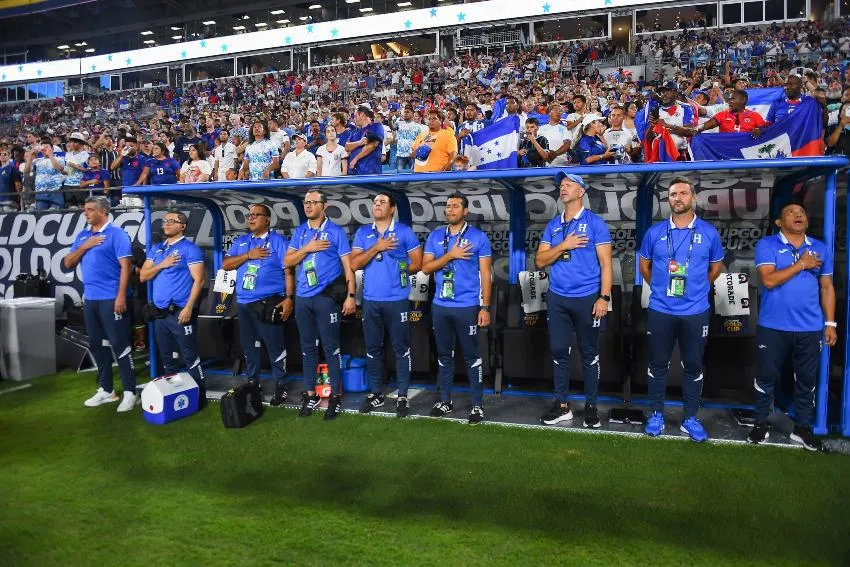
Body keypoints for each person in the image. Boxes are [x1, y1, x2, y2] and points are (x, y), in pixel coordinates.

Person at [638, 177, 724, 442]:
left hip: (696, 312)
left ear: (693, 198)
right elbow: (644, 267)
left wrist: (698, 288)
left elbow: (716, 267)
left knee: (693, 365)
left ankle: (689, 418)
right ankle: (656, 414)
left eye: (683, 193)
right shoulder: (654, 233)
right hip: (661, 310)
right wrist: (662, 288)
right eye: (672, 194)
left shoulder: (709, 233)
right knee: (657, 363)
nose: (677, 198)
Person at [748, 202, 836, 450]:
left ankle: (803, 428)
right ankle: (760, 423)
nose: (798, 215)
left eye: (802, 212)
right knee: (765, 377)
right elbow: (768, 280)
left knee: (807, 379)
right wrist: (801, 264)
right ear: (779, 222)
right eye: (791, 212)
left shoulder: (819, 248)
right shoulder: (767, 245)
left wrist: (830, 323)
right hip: (773, 326)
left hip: (810, 327)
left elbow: (826, 288)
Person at [536, 173, 613, 429]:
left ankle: (591, 407)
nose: (563, 188)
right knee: (559, 352)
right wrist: (564, 245)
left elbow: (606, 264)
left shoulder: (595, 223)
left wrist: (604, 297)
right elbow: (540, 261)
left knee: (589, 354)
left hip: (587, 298)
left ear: (581, 191)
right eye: (561, 185)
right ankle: (562, 406)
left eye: (568, 185)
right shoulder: (553, 225)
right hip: (558, 298)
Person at [285, 190, 357, 420]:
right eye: (305, 202)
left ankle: (334, 396)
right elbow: (287, 261)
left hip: (326, 298)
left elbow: (348, 266)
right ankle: (310, 394)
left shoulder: (335, 232)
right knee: (307, 349)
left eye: (313, 202)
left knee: (331, 347)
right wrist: (307, 248)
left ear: (324, 206)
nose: (308, 206)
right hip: (303, 298)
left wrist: (351, 295)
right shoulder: (301, 231)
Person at [350, 192, 423, 417]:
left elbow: (418, 263)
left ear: (392, 209)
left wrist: (399, 267)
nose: (377, 205)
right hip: (371, 300)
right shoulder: (363, 232)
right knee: (373, 349)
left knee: (401, 349)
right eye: (375, 202)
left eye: (382, 202)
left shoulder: (404, 232)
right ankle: (377, 393)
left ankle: (402, 395)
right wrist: (377, 248)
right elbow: (354, 264)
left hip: (397, 300)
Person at [422, 193, 493, 424]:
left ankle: (477, 405)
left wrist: (485, 307)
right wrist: (450, 255)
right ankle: (445, 400)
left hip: (467, 306)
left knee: (472, 356)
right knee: (444, 355)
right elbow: (426, 268)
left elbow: (485, 275)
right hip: (441, 306)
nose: (450, 209)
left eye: (455, 206)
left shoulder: (478, 238)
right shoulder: (435, 236)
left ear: (465, 211)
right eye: (448, 206)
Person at [63, 196, 137, 412]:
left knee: (120, 345)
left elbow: (126, 267)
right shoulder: (83, 236)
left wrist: (121, 296)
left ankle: (131, 392)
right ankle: (107, 390)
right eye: (85, 209)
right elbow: (68, 263)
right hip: (91, 299)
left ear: (103, 211)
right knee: (96, 344)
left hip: (112, 298)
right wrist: (84, 246)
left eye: (90, 210)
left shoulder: (117, 234)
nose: (85, 213)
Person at [222, 203, 295, 405]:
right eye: (249, 215)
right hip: (244, 303)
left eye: (256, 215)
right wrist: (248, 255)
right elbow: (225, 265)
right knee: (249, 346)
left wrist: (289, 298)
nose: (251, 218)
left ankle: (281, 385)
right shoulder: (242, 241)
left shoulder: (278, 241)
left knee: (275, 346)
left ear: (267, 219)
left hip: (269, 302)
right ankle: (253, 383)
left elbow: (289, 271)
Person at [139, 210, 207, 404]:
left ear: (182, 226)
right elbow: (143, 276)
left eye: (172, 221)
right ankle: (173, 396)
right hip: (160, 314)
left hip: (180, 313)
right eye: (165, 220)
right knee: (167, 357)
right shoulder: (157, 250)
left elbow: (199, 280)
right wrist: (162, 264)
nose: (166, 223)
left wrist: (188, 308)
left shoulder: (189, 249)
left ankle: (199, 396)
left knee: (190, 356)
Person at [692, 90, 766, 136]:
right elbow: (704, 126)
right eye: (729, 99)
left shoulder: (755, 116)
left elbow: (766, 130)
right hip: (726, 155)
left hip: (746, 156)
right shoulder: (723, 114)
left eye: (733, 99)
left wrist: (759, 130)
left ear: (743, 100)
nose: (729, 102)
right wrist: (694, 130)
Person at [26, 138, 65, 210]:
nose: (45, 149)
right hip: (40, 193)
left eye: (47, 147)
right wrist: (30, 156)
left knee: (55, 213)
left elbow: (60, 169)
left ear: (52, 149)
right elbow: (26, 171)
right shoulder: (37, 161)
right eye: (43, 148)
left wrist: (50, 155)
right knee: (41, 215)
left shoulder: (59, 159)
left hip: (55, 192)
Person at [345, 105, 384, 176]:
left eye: (355, 116)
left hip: (370, 171)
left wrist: (355, 159)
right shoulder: (354, 131)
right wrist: (359, 143)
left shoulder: (376, 126)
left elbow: (373, 145)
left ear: (362, 115)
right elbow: (347, 147)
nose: (354, 119)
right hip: (354, 172)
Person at [395, 105, 427, 171]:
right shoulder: (399, 123)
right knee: (400, 175)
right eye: (405, 112)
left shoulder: (418, 127)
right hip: (400, 154)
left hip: (412, 154)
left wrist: (416, 150)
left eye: (408, 112)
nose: (406, 113)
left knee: (413, 174)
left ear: (412, 115)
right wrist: (389, 119)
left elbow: (423, 139)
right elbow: (392, 127)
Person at [0, 147, 22, 211]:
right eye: (0, 154)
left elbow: (18, 184)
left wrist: (19, 199)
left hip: (10, 200)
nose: (2, 156)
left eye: (4, 154)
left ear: (9, 156)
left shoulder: (12, 168)